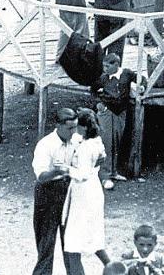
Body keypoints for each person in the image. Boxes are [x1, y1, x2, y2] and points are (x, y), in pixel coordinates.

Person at [31, 108, 79, 275]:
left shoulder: (77, 140)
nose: (73, 132)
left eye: (75, 127)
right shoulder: (46, 145)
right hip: (48, 193)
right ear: (58, 126)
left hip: (69, 193)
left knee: (72, 245)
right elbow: (41, 176)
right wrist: (57, 171)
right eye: (69, 128)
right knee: (46, 246)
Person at [62, 109, 110, 272]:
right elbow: (99, 156)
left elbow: (81, 174)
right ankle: (114, 269)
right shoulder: (95, 140)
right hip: (93, 190)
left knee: (73, 243)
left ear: (82, 127)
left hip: (84, 193)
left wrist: (66, 169)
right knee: (92, 236)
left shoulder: (86, 148)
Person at [91, 53, 145, 189]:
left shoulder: (126, 74)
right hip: (106, 112)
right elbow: (92, 90)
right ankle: (104, 176)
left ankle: (113, 172)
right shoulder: (103, 78)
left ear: (116, 64)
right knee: (106, 142)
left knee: (117, 141)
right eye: (103, 65)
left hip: (121, 112)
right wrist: (99, 103)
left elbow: (141, 78)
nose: (105, 68)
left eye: (107, 66)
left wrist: (142, 86)